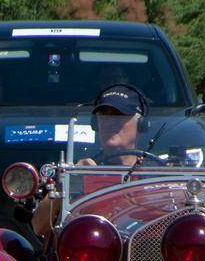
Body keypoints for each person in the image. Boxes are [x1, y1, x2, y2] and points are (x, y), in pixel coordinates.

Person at [30, 83, 146, 237]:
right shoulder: (83, 169)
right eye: (103, 116)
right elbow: (38, 227)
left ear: (142, 125)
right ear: (95, 125)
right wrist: (67, 182)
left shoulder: (158, 172)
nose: (109, 122)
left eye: (118, 115)